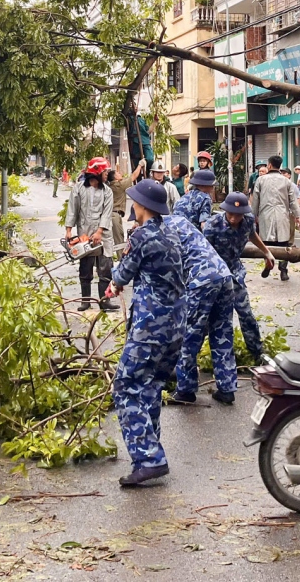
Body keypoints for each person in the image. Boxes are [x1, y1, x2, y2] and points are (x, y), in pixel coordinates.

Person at [104, 180, 187, 487]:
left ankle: (150, 458)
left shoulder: (142, 236)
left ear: (142, 207)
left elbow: (122, 273)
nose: (132, 207)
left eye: (134, 203)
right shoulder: (172, 230)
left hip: (150, 327)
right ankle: (150, 452)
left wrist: (115, 281)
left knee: (125, 387)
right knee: (150, 385)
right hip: (177, 325)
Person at [165, 213, 238, 407]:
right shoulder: (180, 220)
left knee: (189, 334)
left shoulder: (158, 231)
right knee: (222, 333)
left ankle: (185, 390)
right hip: (223, 275)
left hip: (201, 280)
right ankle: (227, 388)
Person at [204, 191, 276, 365]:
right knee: (210, 318)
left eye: (238, 215)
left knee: (246, 314)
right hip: (215, 275)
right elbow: (203, 252)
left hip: (235, 273)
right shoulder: (212, 224)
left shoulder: (249, 220)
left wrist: (266, 252)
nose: (234, 218)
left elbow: (252, 234)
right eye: (230, 214)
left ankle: (257, 352)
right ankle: (187, 358)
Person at [65, 157, 117, 312]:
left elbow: (107, 213)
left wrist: (100, 231)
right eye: (105, 171)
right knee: (85, 268)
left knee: (105, 268)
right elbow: (72, 209)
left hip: (103, 235)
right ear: (96, 172)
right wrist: (69, 230)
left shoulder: (107, 191)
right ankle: (85, 301)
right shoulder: (79, 188)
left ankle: (104, 301)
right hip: (85, 234)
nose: (107, 174)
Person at [251, 155, 300, 281]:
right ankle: (283, 270)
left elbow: (255, 200)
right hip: (282, 215)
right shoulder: (287, 181)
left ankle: (269, 262)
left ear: (269, 165)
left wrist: (253, 215)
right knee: (284, 244)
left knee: (266, 244)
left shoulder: (260, 180)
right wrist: (298, 216)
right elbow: (293, 201)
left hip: (265, 216)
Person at [108, 160, 144, 248]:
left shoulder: (112, 185)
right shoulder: (118, 185)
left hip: (115, 215)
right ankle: (121, 259)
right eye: (117, 173)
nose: (120, 174)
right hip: (114, 215)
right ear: (115, 177)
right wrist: (140, 165)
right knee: (119, 241)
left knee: (118, 238)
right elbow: (133, 176)